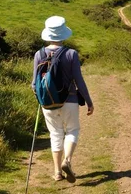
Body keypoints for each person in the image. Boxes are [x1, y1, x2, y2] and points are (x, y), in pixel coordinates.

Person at [31, 16, 94, 183]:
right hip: (71, 100)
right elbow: (79, 81)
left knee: (55, 134)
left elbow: (33, 83)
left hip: (48, 103)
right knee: (72, 130)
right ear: (64, 34)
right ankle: (67, 161)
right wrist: (88, 101)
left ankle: (57, 172)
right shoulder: (71, 54)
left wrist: (41, 98)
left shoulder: (39, 54)